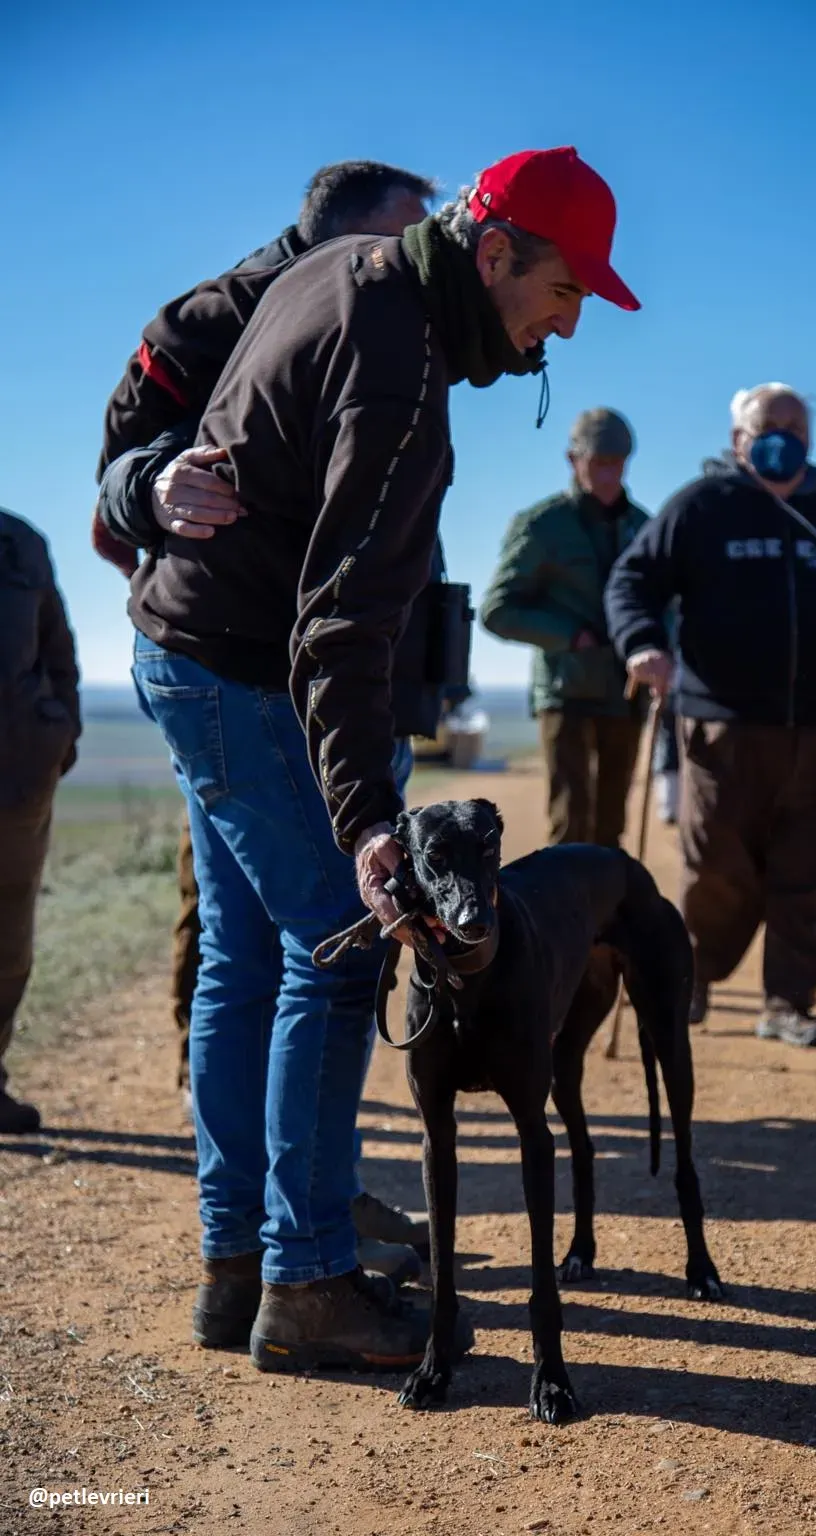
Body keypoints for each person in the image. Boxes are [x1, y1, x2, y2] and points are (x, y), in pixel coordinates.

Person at [121, 145, 638, 1372]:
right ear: (496, 254)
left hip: (190, 651)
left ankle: (236, 1263)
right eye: (565, 292)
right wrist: (367, 825)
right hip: (242, 677)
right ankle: (305, 1284)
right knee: (339, 955)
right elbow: (343, 625)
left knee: (248, 965)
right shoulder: (404, 374)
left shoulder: (343, 267)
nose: (567, 325)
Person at [94, 159, 442, 1285]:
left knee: (251, 965)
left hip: (314, 680)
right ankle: (296, 1253)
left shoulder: (376, 319)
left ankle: (253, 1240)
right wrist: (150, 486)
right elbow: (117, 469)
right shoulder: (224, 313)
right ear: (342, 236)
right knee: (309, 955)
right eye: (405, 236)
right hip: (242, 678)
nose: (417, 257)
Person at [605, 382, 816, 1048]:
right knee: (717, 865)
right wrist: (644, 644)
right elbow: (633, 579)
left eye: (798, 425)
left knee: (806, 869)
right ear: (738, 440)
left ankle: (787, 1003)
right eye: (771, 425)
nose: (785, 436)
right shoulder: (702, 505)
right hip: (723, 724)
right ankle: (687, 982)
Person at [479, 408, 648, 847]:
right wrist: (569, 636)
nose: (609, 474)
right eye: (598, 463)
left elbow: (663, 603)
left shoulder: (644, 529)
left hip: (626, 695)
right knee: (570, 827)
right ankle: (565, 916)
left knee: (611, 830)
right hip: (565, 694)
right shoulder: (542, 526)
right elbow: (496, 610)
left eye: (617, 463)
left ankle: (610, 916)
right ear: (573, 460)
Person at [0, 508, 81, 1133]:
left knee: (8, 944)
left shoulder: (20, 542)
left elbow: (59, 646)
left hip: (16, 776)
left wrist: (59, 732)